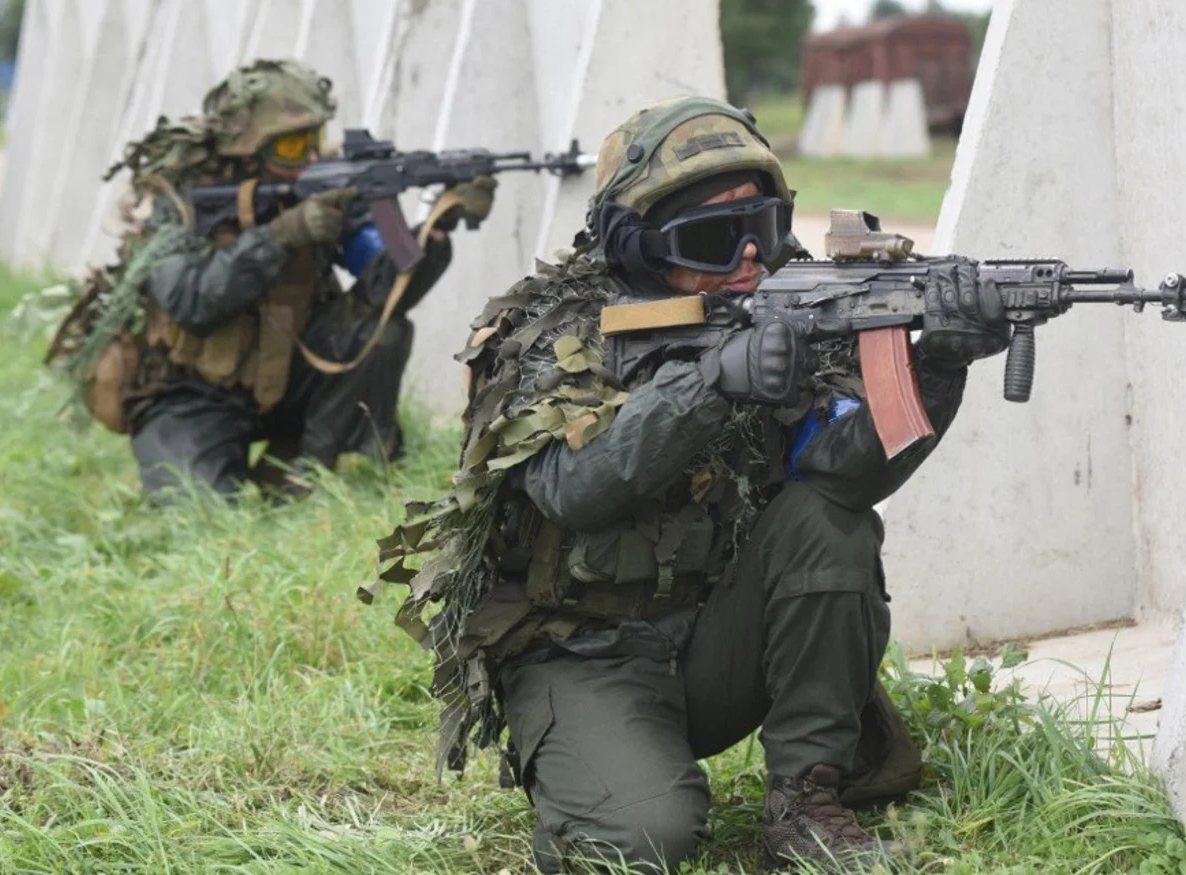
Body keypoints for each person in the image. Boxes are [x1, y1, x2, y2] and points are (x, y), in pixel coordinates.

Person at [374, 96, 1008, 872]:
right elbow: (574, 488)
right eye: (712, 239)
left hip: (719, 639)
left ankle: (806, 802)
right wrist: (713, 384)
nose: (747, 256)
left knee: (827, 517)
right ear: (635, 245)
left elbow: (847, 476)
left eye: (764, 230)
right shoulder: (551, 331)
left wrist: (936, 369)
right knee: (639, 843)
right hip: (583, 652)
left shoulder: (785, 308)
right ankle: (602, 777)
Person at [53, 59, 493, 499]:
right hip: (191, 390)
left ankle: (304, 473)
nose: (311, 158)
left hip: (288, 377)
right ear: (248, 148)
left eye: (314, 140)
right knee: (194, 512)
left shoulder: (328, 186)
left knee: (382, 331)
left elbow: (384, 292)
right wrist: (281, 235)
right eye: (290, 148)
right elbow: (191, 304)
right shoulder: (181, 199)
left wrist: (434, 232)